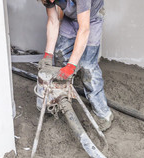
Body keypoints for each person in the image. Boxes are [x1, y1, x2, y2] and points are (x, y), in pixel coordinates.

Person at [39, 0, 114, 131]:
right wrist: (48, 55)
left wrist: (71, 66)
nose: (51, 1)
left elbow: (84, 29)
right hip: (70, 18)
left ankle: (104, 114)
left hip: (92, 18)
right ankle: (61, 101)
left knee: (87, 67)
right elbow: (53, 20)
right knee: (60, 56)